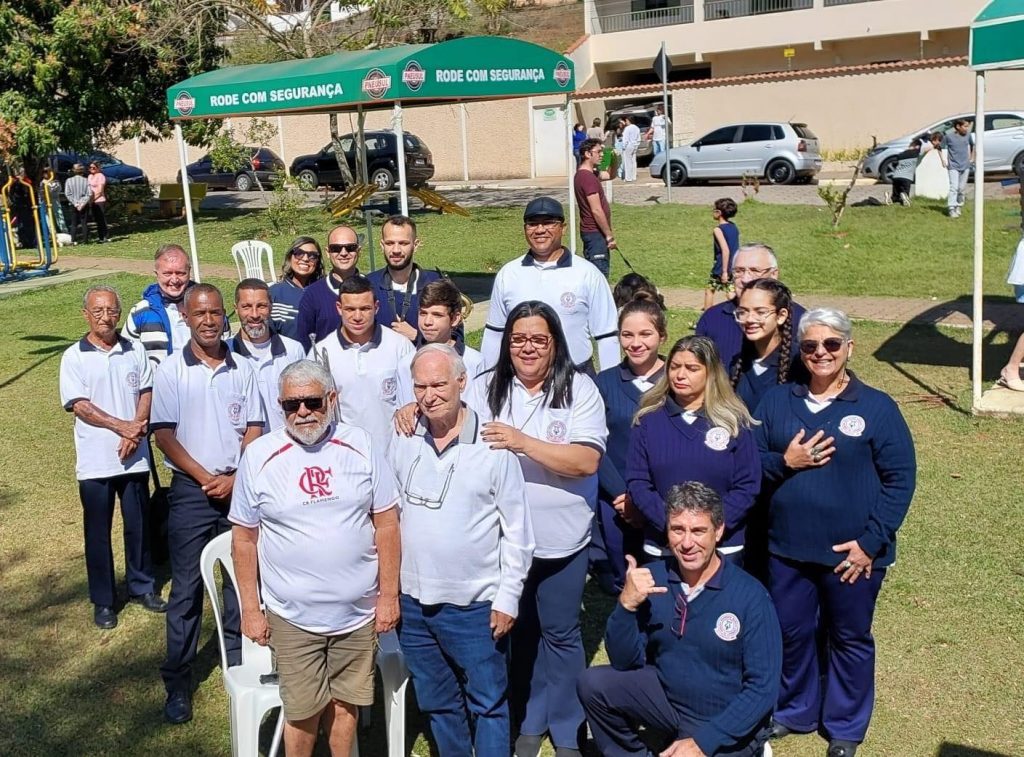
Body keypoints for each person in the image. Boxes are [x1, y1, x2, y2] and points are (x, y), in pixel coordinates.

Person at [753, 308, 916, 757]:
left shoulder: (876, 407)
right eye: (810, 346)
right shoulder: (776, 401)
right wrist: (785, 462)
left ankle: (844, 726)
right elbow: (747, 463)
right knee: (792, 631)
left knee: (849, 636)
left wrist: (870, 543)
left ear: (849, 347)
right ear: (800, 352)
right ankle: (795, 710)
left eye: (831, 344)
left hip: (853, 555)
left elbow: (900, 479)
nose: (820, 353)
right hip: (787, 549)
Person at [230, 360, 400, 757]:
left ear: (332, 399)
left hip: (357, 615)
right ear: (280, 406)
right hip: (294, 616)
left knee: (346, 705)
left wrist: (388, 596)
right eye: (291, 405)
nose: (302, 412)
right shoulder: (260, 457)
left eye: (311, 402)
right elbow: (244, 539)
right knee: (302, 711)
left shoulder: (361, 444)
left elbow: (387, 523)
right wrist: (251, 610)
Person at [469, 301, 607, 757]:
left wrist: (522, 442)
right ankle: (527, 721)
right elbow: (446, 421)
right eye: (518, 339)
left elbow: (586, 461)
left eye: (538, 340)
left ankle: (566, 729)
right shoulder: (485, 388)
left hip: (562, 539)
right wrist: (409, 408)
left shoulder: (580, 389)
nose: (527, 348)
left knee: (562, 634)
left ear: (555, 345)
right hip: (503, 541)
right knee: (518, 631)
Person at [390, 344, 534, 757]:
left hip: (474, 606)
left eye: (439, 384)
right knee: (437, 703)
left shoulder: (493, 447)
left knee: (487, 704)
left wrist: (507, 598)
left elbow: (519, 533)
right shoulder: (403, 437)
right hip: (415, 605)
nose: (429, 395)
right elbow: (390, 514)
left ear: (461, 382)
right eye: (420, 386)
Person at [577, 481, 782, 757]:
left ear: (718, 531)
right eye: (678, 530)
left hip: (724, 719)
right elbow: (624, 662)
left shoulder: (751, 596)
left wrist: (704, 742)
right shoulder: (654, 579)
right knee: (593, 684)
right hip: (669, 699)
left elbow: (762, 689)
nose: (687, 543)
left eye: (698, 531)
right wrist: (625, 606)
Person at [150, 283, 264, 725]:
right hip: (191, 493)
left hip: (238, 489)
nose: (210, 321)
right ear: (186, 318)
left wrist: (234, 477)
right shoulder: (171, 371)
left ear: (226, 315)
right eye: (200, 314)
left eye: (216, 313)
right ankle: (177, 680)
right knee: (186, 590)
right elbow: (164, 434)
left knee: (242, 581)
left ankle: (240, 662)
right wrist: (206, 479)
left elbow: (254, 426)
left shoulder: (243, 368)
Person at [59, 285, 167, 630]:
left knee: (138, 526)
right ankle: (104, 600)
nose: (106, 317)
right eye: (98, 311)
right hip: (95, 462)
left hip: (134, 457)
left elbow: (146, 391)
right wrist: (124, 427)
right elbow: (80, 406)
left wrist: (135, 430)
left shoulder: (134, 349)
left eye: (112, 311)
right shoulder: (74, 356)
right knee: (98, 531)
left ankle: (142, 586)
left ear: (120, 313)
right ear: (86, 315)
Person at [627, 336, 760, 567]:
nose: (680, 375)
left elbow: (748, 484)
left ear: (710, 373)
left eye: (692, 368)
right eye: (675, 367)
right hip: (663, 545)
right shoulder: (648, 421)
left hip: (723, 545)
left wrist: (711, 527)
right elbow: (638, 481)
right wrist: (672, 525)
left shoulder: (734, 422)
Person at [481, 196, 619, 374]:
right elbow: (495, 333)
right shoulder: (508, 274)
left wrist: (611, 384)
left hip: (576, 375)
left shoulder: (587, 274)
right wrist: (485, 378)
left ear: (563, 228)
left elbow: (607, 335)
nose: (540, 230)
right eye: (532, 224)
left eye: (548, 223)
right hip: (522, 379)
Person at [593, 291, 667, 593]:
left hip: (664, 498)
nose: (635, 343)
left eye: (645, 334)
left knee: (663, 577)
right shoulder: (605, 382)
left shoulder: (677, 379)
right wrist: (623, 497)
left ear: (662, 335)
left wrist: (648, 500)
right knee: (625, 579)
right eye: (627, 334)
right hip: (616, 500)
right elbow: (594, 444)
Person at [310, 274, 414, 454]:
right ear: (339, 308)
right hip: (344, 454)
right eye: (350, 309)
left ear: (376, 307)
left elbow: (413, 400)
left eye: (365, 309)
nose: (357, 317)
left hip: (393, 452)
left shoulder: (400, 346)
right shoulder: (320, 352)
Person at [696, 243, 806, 371]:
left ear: (774, 274)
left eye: (755, 271)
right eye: (739, 271)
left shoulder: (802, 320)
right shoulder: (712, 318)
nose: (746, 279)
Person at [230, 279, 306, 431]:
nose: (254, 314)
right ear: (236, 309)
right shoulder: (225, 352)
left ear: (270, 308)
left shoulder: (293, 350)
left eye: (261, 306)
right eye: (246, 307)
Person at [395, 279, 484, 405]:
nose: (427, 322)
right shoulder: (406, 364)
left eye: (437, 315)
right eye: (423, 313)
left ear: (455, 319)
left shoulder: (475, 362)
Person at [367, 215, 444, 343]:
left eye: (403, 243)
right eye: (390, 243)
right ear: (382, 245)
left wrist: (418, 336)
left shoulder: (437, 284)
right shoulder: (368, 285)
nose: (396, 250)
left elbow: (455, 338)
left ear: (416, 245)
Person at [730, 278, 801, 412]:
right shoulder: (737, 363)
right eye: (743, 312)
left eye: (760, 312)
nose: (750, 319)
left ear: (781, 316)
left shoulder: (800, 363)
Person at [122, 244, 198, 366]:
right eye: (167, 274)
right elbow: (126, 357)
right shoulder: (141, 313)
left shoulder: (207, 307)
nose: (174, 280)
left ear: (189, 271)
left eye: (180, 273)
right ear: (156, 274)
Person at [294, 225, 362, 350]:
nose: (343, 253)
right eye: (335, 248)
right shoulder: (312, 294)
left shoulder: (373, 288)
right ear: (327, 252)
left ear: (358, 250)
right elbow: (304, 341)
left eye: (350, 248)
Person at [574, 138, 617, 279]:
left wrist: (615, 160)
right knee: (599, 277)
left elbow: (610, 175)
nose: (601, 155)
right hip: (595, 233)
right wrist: (609, 236)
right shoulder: (587, 178)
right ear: (587, 154)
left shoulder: (590, 174)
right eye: (598, 152)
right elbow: (596, 210)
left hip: (593, 233)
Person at [269, 236, 325, 340]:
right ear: (290, 257)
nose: (305, 259)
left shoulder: (324, 292)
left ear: (317, 262)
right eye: (299, 253)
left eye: (312, 255)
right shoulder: (274, 293)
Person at [704, 198, 741, 312]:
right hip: (734, 264)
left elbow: (725, 250)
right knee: (730, 292)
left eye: (714, 210)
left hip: (722, 266)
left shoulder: (718, 230)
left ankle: (706, 318)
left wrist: (724, 272)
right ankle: (740, 312)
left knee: (710, 290)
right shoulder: (733, 226)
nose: (712, 211)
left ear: (719, 213)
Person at [940, 118, 974, 219]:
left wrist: (972, 158)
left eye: (968, 126)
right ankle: (951, 208)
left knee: (961, 188)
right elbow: (940, 147)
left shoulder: (968, 136)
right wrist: (943, 160)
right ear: (958, 127)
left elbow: (973, 146)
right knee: (954, 187)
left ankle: (958, 206)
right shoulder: (948, 137)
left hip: (965, 165)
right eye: (965, 126)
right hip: (953, 166)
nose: (967, 128)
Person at [887, 138, 922, 207]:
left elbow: (896, 162)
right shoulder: (916, 153)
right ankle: (904, 199)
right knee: (905, 192)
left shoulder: (901, 154)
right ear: (917, 146)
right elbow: (926, 148)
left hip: (896, 176)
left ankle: (892, 199)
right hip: (906, 177)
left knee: (895, 193)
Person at [64, 163, 92, 246]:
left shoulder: (69, 180)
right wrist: (82, 203)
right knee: (84, 223)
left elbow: (67, 193)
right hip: (84, 204)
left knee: (74, 223)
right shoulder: (86, 180)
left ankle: (73, 240)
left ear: (73, 170)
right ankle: (85, 240)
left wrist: (75, 203)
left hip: (73, 204)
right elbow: (89, 193)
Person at [87, 162, 109, 243]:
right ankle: (100, 237)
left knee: (101, 219)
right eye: (90, 167)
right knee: (96, 219)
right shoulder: (89, 176)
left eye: (94, 167)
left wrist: (93, 199)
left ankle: (105, 236)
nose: (92, 169)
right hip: (91, 200)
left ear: (98, 168)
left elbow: (100, 191)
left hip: (99, 200)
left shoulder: (100, 176)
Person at [620, 116, 641, 183]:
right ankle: (633, 176)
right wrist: (637, 145)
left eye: (626, 121)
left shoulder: (627, 128)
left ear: (628, 121)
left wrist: (623, 146)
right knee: (633, 161)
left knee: (627, 162)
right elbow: (639, 138)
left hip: (628, 145)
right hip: (635, 145)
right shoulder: (637, 128)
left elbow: (625, 139)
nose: (626, 122)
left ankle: (628, 178)